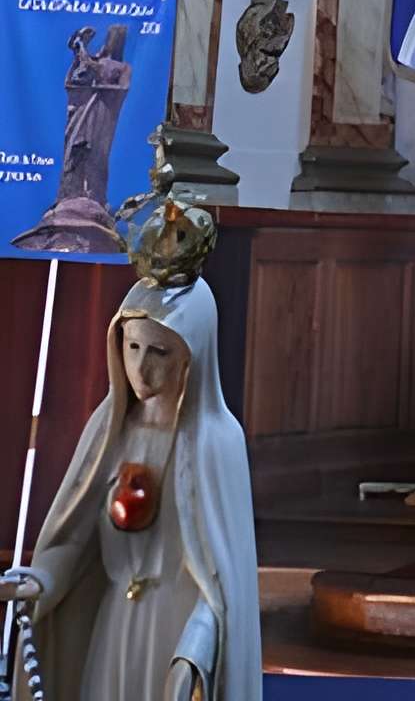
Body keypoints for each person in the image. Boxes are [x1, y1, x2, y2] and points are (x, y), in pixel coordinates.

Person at [2, 273, 259, 700]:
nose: (141, 367)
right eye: (132, 346)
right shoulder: (110, 429)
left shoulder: (218, 441)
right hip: (114, 629)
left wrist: (195, 653)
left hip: (176, 637)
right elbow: (78, 539)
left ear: (193, 354)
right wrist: (43, 579)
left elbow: (221, 588)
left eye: (159, 351)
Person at [14, 26, 132, 257]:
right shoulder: (93, 60)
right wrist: (81, 52)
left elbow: (123, 87)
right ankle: (68, 196)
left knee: (97, 154)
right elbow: (75, 79)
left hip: (102, 113)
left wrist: (84, 54)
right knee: (74, 152)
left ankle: (93, 197)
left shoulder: (122, 66)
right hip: (81, 110)